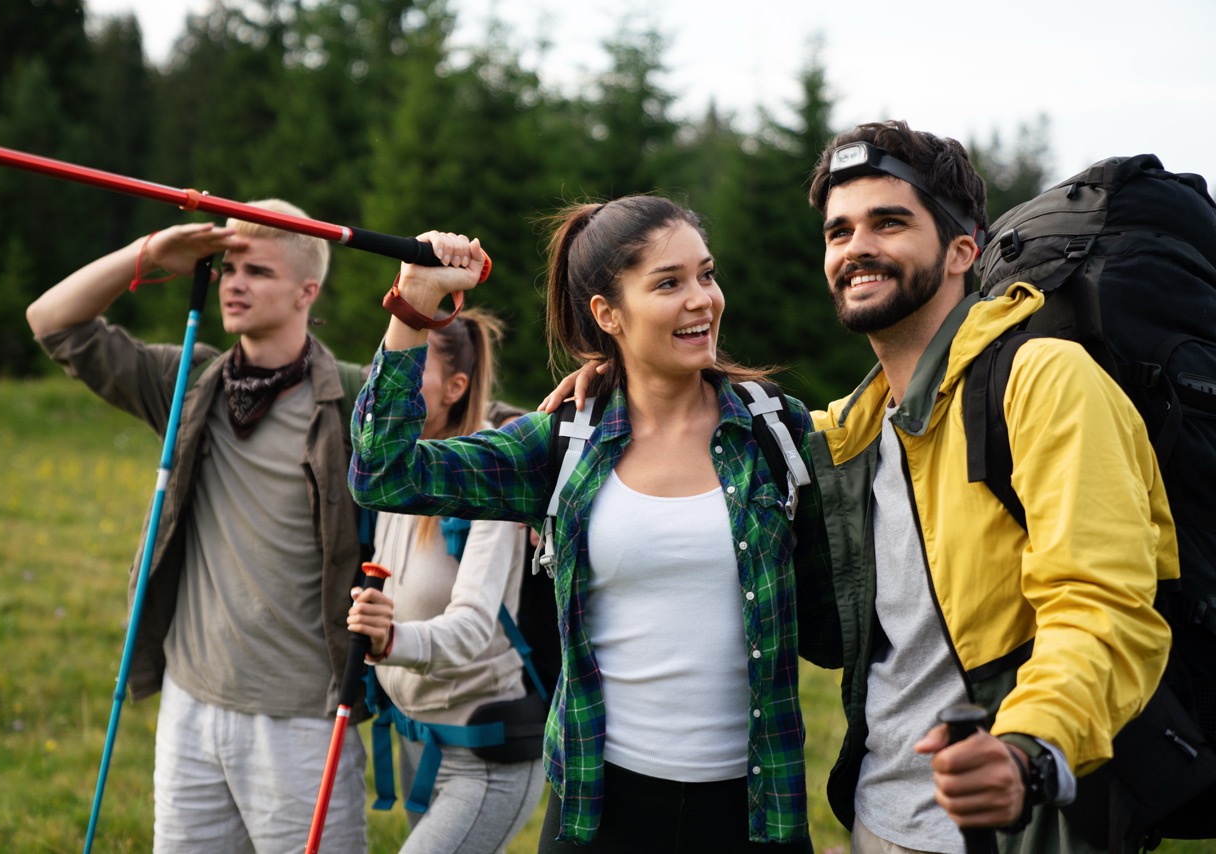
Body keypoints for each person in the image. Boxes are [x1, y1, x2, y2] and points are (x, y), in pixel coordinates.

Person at [546, 123, 1180, 852]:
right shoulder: (847, 430)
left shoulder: (1044, 381)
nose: (856, 248)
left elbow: (1102, 604)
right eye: (838, 230)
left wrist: (1028, 749)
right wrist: (622, 380)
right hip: (877, 818)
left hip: (1012, 820)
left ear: (962, 250)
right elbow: (707, 441)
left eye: (889, 222)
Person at [346, 199, 842, 852]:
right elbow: (385, 472)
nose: (702, 300)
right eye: (668, 283)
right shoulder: (564, 444)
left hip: (754, 810)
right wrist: (415, 308)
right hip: (597, 809)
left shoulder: (776, 430)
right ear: (608, 314)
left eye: (706, 274)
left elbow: (832, 634)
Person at [25, 200, 370, 853]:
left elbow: (462, 415)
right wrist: (152, 252)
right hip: (191, 704)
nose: (234, 283)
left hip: (302, 720)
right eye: (227, 268)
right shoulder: (188, 381)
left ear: (307, 291)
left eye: (257, 271)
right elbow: (52, 322)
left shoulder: (354, 400)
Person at [344, 307, 546, 853]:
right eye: (388, 363)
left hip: (487, 755)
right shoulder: (397, 475)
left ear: (455, 388)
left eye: (413, 368)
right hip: (416, 744)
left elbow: (475, 627)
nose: (389, 378)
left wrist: (391, 641)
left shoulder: (486, 480)